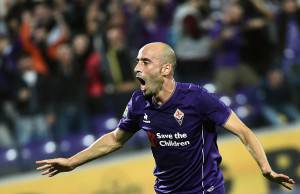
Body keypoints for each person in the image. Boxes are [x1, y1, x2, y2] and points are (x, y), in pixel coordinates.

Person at [36, 42, 295, 194]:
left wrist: (265, 167)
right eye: (137, 62)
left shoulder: (197, 98)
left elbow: (244, 131)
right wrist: (71, 162)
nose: (137, 68)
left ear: (166, 69)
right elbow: (115, 140)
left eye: (145, 62)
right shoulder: (139, 102)